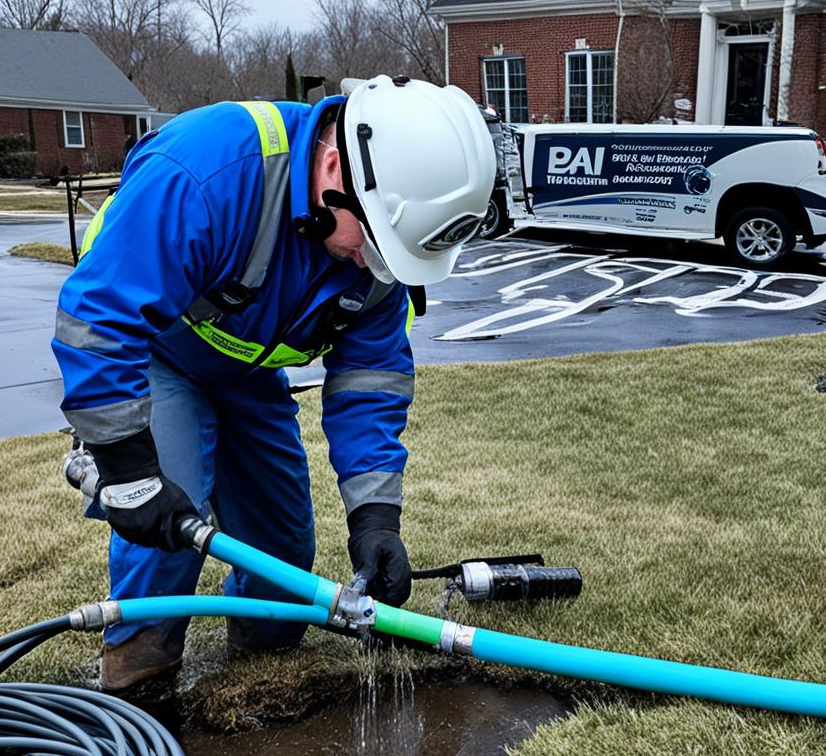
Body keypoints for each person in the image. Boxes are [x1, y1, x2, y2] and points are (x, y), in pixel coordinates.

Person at [52, 75, 496, 691]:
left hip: (247, 373)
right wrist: (127, 467)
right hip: (157, 352)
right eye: (372, 243)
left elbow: (371, 383)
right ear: (335, 166)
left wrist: (375, 520)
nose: (372, 264)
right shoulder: (211, 169)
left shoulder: (375, 256)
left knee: (283, 550)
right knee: (166, 521)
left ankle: (261, 670)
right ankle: (138, 682)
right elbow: (99, 319)